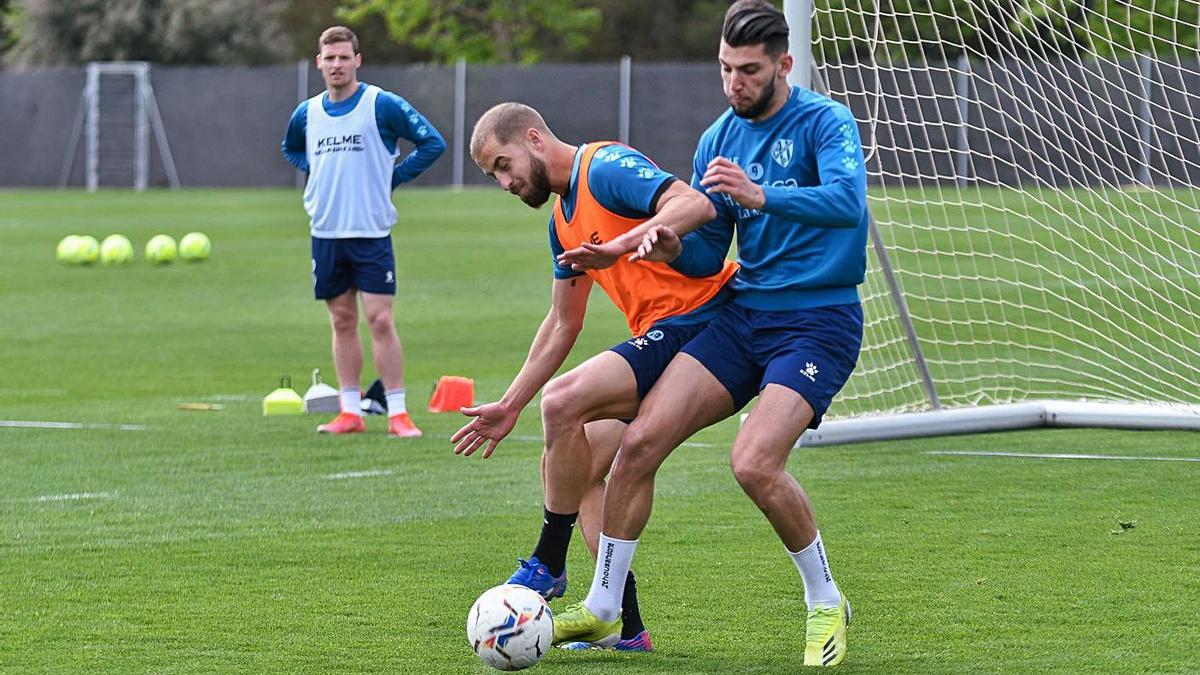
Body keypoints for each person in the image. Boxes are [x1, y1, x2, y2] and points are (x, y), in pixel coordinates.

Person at [551, 1, 868, 666]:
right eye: (725, 69)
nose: (734, 83)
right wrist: (667, 247)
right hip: (744, 315)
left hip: (817, 321)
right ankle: (605, 609)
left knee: (753, 461)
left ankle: (825, 599)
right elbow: (708, 250)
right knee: (637, 447)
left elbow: (847, 205)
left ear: (783, 64)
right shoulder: (717, 139)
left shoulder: (824, 122)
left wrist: (762, 195)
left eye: (748, 70)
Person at [453, 102, 737, 650]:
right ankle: (624, 627)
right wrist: (510, 403)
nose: (506, 182)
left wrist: (621, 246)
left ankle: (548, 561)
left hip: (703, 317)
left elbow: (690, 202)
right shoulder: (561, 224)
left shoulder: (604, 166)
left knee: (562, 403)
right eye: (495, 176)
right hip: (661, 334)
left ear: (534, 138)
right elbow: (563, 322)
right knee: (576, 466)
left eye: (504, 165)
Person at [281, 26, 445, 437]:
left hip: (371, 230)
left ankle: (398, 412)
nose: (336, 65)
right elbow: (291, 147)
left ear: (358, 60)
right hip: (326, 231)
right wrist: (319, 174)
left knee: (380, 320)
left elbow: (431, 142)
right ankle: (349, 411)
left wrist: (393, 177)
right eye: (329, 58)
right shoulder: (307, 112)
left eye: (343, 57)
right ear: (319, 62)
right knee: (341, 320)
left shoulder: (380, 104)